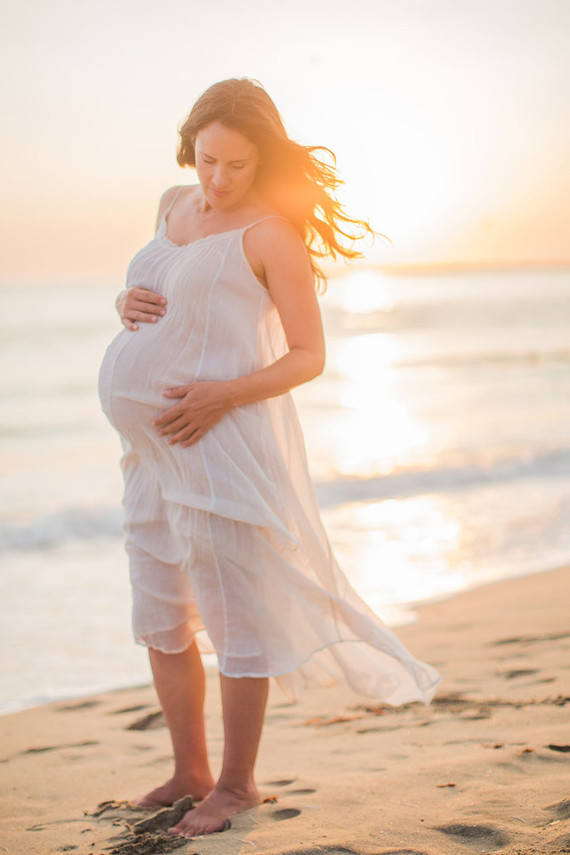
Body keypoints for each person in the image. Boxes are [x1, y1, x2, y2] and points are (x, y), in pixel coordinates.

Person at [98, 77, 441, 839]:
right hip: (148, 452)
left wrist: (224, 393)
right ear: (191, 148)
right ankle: (189, 768)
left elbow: (309, 355)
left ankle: (237, 783)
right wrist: (123, 302)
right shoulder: (170, 204)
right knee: (160, 612)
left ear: (264, 162)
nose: (215, 180)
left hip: (215, 446)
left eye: (236, 166)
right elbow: (156, 294)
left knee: (231, 613)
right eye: (207, 160)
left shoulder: (270, 235)